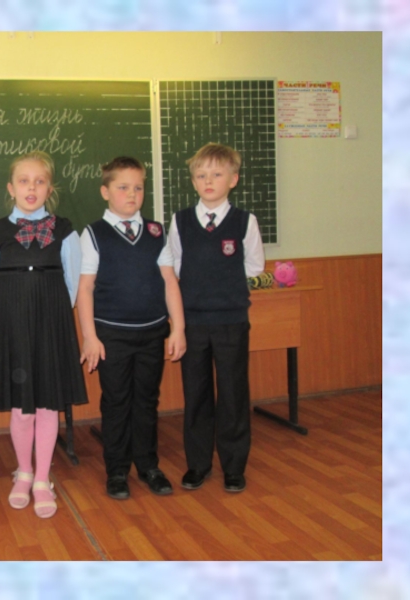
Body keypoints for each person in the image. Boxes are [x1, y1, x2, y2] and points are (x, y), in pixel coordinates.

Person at [0, 150, 87, 518]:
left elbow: (71, 285)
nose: (32, 187)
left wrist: (51, 316)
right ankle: (23, 471)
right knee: (22, 409)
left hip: (51, 324)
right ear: (11, 188)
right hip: (13, 325)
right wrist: (17, 316)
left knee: (47, 405)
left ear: (49, 189)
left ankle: (42, 478)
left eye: (40, 181)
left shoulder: (65, 230)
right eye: (24, 181)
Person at [78, 156, 187, 500]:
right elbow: (85, 288)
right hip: (112, 335)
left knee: (146, 400)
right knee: (116, 401)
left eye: (138, 188)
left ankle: (148, 465)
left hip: (151, 332)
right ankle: (117, 469)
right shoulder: (94, 234)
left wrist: (178, 328)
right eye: (123, 187)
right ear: (105, 192)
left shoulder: (156, 232)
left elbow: (169, 281)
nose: (132, 194)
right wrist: (90, 337)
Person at [169, 143, 265, 493]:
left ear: (233, 179)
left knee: (233, 393)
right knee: (196, 394)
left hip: (231, 322)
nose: (208, 181)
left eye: (217, 174)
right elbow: (175, 267)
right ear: (193, 181)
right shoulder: (180, 221)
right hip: (193, 322)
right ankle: (198, 464)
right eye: (201, 175)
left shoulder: (244, 221)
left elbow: (254, 266)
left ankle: (234, 466)